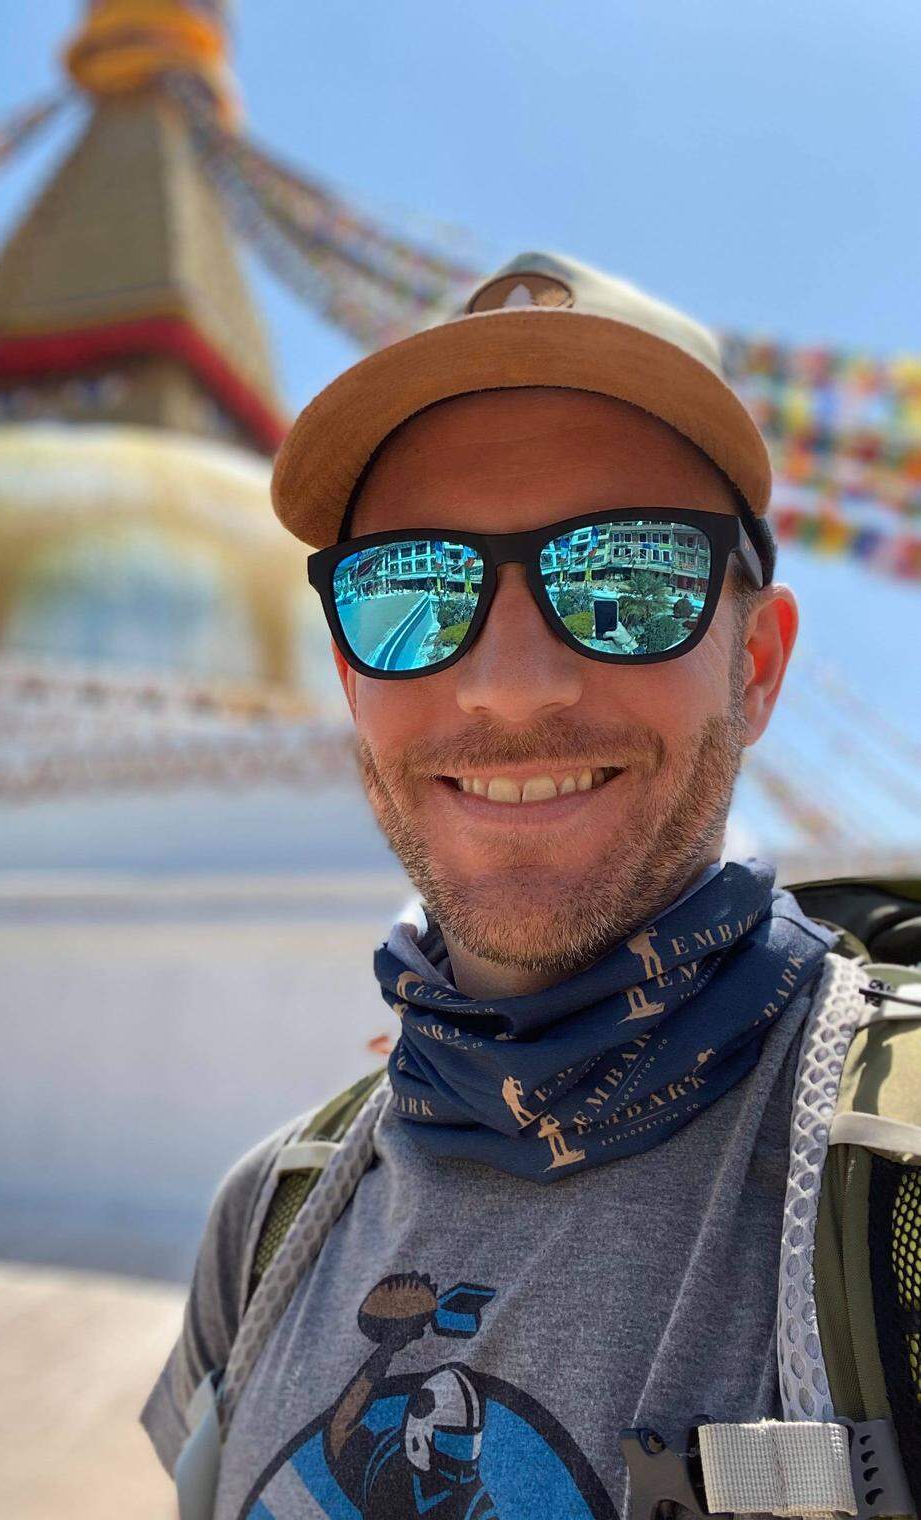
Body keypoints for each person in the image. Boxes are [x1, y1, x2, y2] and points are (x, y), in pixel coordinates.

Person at [140, 252, 842, 1519]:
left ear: (758, 664)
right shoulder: (268, 1221)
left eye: (627, 579)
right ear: (356, 690)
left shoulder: (880, 1214)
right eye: (413, 591)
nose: (509, 684)